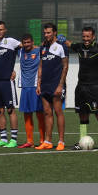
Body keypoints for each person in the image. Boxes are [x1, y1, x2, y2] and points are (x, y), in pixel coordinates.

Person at [63, 26, 98, 150]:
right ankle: (81, 142)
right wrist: (61, 39)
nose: (85, 39)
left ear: (93, 37)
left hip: (94, 87)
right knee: (82, 114)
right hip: (81, 87)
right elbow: (69, 44)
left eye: (88, 37)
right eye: (84, 36)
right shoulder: (79, 47)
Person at [35, 22, 68, 151]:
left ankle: (61, 142)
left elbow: (65, 66)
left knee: (58, 112)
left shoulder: (61, 47)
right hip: (44, 85)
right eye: (45, 33)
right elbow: (40, 66)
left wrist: (60, 85)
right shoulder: (43, 47)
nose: (46, 35)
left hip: (56, 85)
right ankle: (47, 141)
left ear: (54, 32)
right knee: (47, 113)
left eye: (48, 33)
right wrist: (38, 84)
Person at [0, 20, 22, 147]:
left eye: (1, 29)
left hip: (6, 81)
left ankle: (13, 140)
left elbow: (26, 48)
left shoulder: (11, 41)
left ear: (5, 30)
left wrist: (16, 69)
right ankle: (3, 138)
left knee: (10, 110)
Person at [16, 33, 45, 148]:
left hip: (35, 86)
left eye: (29, 42)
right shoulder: (20, 51)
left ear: (33, 42)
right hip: (24, 87)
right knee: (27, 114)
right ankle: (30, 141)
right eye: (24, 43)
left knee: (39, 113)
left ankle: (43, 140)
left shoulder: (39, 51)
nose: (27, 45)